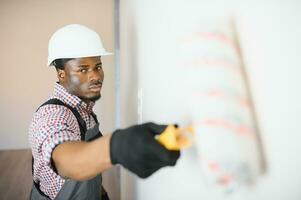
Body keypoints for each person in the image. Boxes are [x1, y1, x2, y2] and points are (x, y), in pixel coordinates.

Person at [28, 24, 180, 200]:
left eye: (98, 66)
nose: (95, 76)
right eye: (83, 69)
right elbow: (65, 160)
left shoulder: (84, 110)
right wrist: (116, 147)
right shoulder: (51, 115)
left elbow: (88, 174)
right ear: (61, 74)